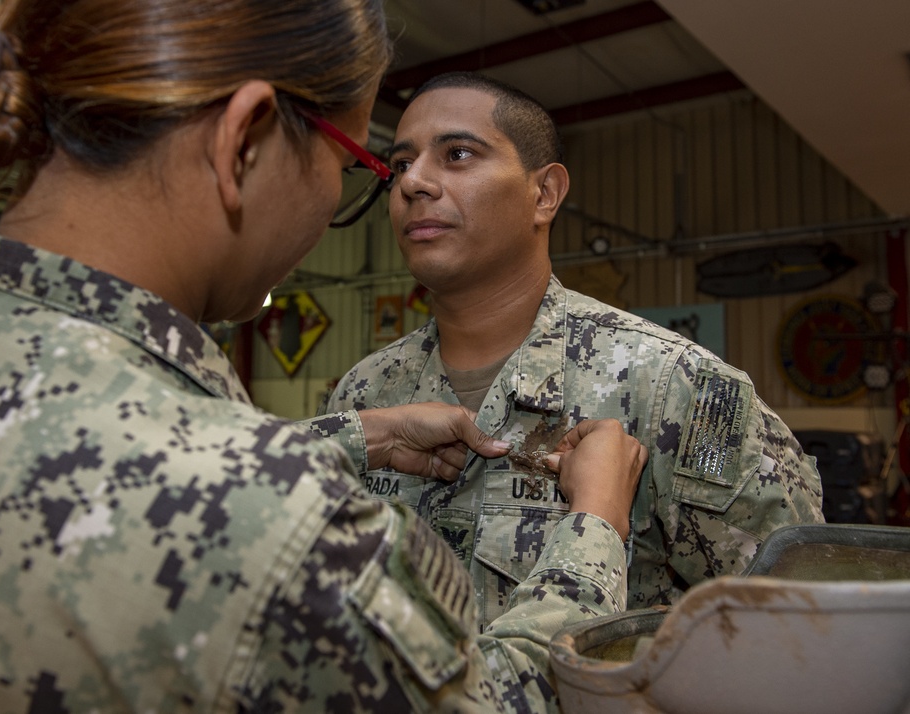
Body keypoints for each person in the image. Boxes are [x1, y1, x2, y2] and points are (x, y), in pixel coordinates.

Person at [0, 2, 650, 712]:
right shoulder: (286, 519)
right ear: (245, 139)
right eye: (356, 159)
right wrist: (593, 529)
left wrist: (351, 438)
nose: (397, 187)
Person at [320, 71, 825, 627]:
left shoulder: (677, 389)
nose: (414, 182)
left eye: (457, 154)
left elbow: (797, 625)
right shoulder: (364, 394)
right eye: (400, 164)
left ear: (545, 194)